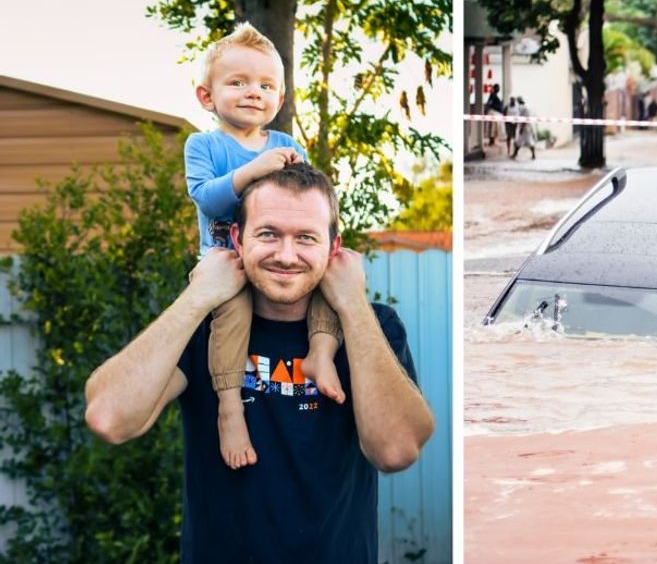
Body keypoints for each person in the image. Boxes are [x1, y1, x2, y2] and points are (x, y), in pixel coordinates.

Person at [84, 163, 435, 561]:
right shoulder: (202, 328)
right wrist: (197, 299)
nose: (286, 256)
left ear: (334, 248)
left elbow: (396, 451)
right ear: (237, 238)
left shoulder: (373, 326)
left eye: (306, 238)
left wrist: (352, 302)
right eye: (268, 234)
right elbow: (108, 418)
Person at [183, 23, 344, 470]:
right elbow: (206, 197)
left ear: (279, 96)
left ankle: (321, 355)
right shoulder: (205, 145)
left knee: (333, 279)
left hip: (280, 260)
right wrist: (255, 170)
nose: (253, 92)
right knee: (231, 318)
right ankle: (230, 406)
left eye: (266, 85)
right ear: (206, 96)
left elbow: (307, 202)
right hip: (225, 261)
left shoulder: (287, 144)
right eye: (238, 82)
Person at [510, 96, 538, 160]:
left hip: (525, 127)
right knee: (523, 141)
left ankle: (515, 154)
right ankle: (516, 154)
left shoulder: (524, 108)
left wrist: (522, 128)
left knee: (525, 141)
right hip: (526, 126)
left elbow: (525, 118)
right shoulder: (525, 107)